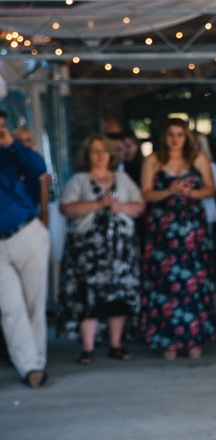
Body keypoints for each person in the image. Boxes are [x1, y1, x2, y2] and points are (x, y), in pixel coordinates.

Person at [58, 135, 145, 365]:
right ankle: (88, 347)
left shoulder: (122, 178)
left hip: (119, 249)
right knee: (88, 295)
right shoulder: (79, 180)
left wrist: (120, 207)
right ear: (87, 154)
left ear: (111, 154)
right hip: (88, 250)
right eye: (95, 150)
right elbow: (66, 208)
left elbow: (139, 205)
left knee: (119, 294)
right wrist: (98, 205)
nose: (100, 155)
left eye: (104, 150)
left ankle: (116, 344)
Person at [140, 118, 216, 360]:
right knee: (165, 284)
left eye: (180, 134)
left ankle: (194, 339)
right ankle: (168, 341)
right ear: (164, 136)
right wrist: (168, 191)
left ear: (187, 137)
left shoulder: (198, 158)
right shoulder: (153, 160)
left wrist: (192, 192)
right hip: (164, 228)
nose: (175, 139)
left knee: (193, 282)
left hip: (192, 228)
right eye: (171, 134)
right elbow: (146, 193)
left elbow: (211, 189)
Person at [0, 109, 51, 388]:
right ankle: (28, 365)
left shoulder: (12, 153)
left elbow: (39, 168)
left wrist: (12, 144)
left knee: (34, 302)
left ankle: (36, 364)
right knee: (10, 308)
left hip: (25, 232)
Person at [12, 126, 51, 226]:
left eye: (28, 140)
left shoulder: (38, 165)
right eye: (19, 141)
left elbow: (44, 203)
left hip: (31, 222)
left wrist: (44, 227)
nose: (24, 144)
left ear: (33, 143)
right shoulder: (7, 165)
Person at [193, 133, 216, 235]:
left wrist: (191, 191)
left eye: (194, 143)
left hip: (205, 208)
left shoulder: (211, 166)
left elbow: (213, 189)